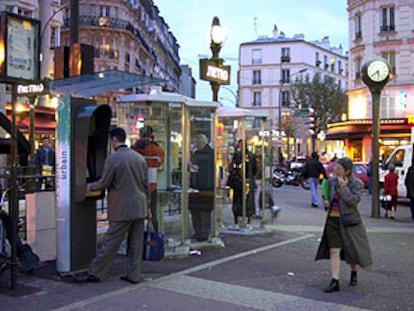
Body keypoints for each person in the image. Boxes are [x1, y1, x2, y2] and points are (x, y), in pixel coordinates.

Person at [76, 127, 149, 283]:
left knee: (110, 242)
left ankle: (95, 273)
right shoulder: (139, 158)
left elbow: (104, 183)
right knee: (136, 244)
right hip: (140, 206)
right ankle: (134, 275)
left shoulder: (113, 159)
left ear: (114, 140)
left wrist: (88, 186)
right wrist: (147, 206)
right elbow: (145, 185)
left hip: (122, 207)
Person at [315, 157, 372, 293]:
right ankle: (335, 280)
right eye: (336, 167)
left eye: (339, 168)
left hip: (349, 221)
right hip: (332, 220)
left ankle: (354, 271)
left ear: (347, 171)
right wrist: (325, 200)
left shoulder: (356, 183)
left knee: (352, 250)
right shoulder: (331, 181)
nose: (336, 170)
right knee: (334, 249)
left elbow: (353, 201)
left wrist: (344, 188)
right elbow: (325, 192)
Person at [131, 125, 165, 232]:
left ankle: (137, 236)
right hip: (151, 185)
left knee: (137, 213)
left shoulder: (133, 148)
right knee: (152, 213)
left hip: (135, 184)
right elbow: (160, 165)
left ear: (140, 135)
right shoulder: (157, 149)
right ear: (151, 135)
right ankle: (154, 235)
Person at [189, 134, 215, 241]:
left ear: (203, 143)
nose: (196, 145)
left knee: (202, 212)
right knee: (198, 211)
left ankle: (202, 232)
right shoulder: (202, 153)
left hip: (203, 187)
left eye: (198, 143)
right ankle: (199, 232)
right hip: (200, 187)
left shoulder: (206, 154)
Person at [228, 140, 257, 225]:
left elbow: (232, 168)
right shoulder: (249, 155)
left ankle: (239, 218)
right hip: (245, 180)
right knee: (246, 200)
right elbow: (254, 169)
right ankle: (246, 218)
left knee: (240, 200)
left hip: (240, 181)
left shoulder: (238, 155)